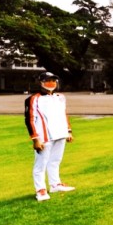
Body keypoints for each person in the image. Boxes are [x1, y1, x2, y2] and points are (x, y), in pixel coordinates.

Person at [25, 72, 76, 201]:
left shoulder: (60, 97)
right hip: (44, 136)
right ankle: (40, 190)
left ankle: (55, 184)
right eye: (48, 81)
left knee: (55, 161)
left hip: (60, 133)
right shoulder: (33, 98)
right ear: (41, 82)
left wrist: (68, 131)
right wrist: (35, 138)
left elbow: (64, 114)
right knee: (40, 164)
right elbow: (30, 119)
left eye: (54, 81)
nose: (51, 83)